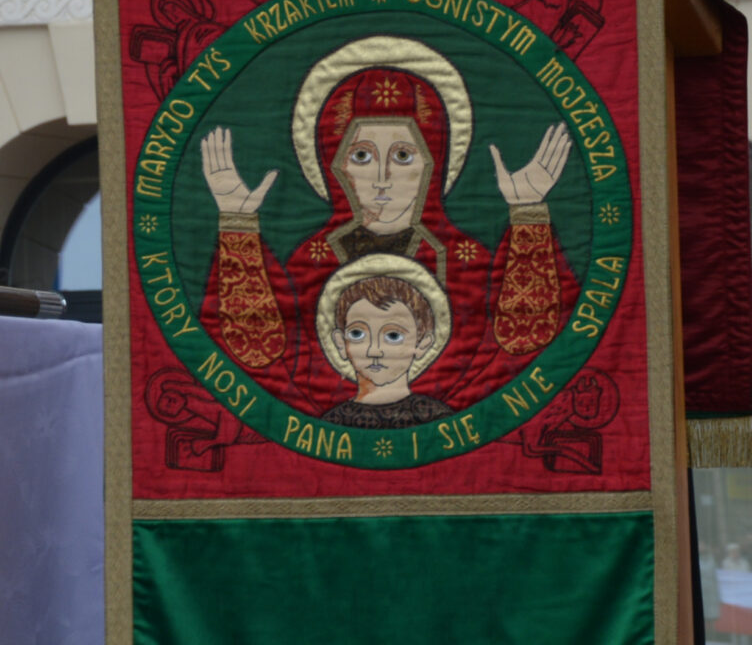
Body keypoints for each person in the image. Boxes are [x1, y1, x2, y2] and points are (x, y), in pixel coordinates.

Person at [200, 56, 576, 413]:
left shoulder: (466, 259)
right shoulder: (311, 260)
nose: (382, 179)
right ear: (336, 165)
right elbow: (264, 359)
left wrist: (528, 212)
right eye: (362, 156)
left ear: (433, 160)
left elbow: (518, 350)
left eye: (402, 156)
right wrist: (237, 221)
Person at [318, 264, 456, 429]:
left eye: (393, 336)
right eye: (357, 334)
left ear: (422, 345)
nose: (374, 351)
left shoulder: (437, 418)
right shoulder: (332, 423)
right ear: (341, 343)